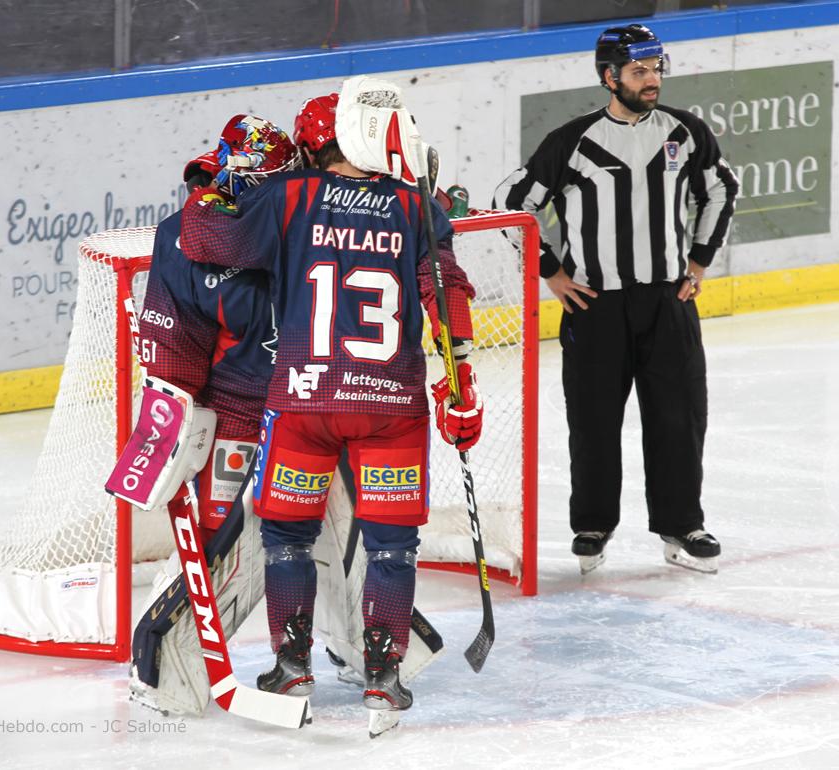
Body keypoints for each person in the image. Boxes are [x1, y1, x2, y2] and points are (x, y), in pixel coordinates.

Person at [177, 81, 482, 732]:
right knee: (393, 546)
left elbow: (208, 242)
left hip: (303, 402)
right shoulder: (414, 207)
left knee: (288, 537)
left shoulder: (291, 198)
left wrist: (207, 192)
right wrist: (461, 381)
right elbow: (446, 290)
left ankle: (292, 666)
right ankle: (382, 677)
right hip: (391, 405)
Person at [494, 23, 738, 575]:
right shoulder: (572, 141)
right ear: (610, 77)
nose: (652, 81)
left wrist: (699, 259)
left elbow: (721, 187)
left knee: (679, 417)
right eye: (638, 72)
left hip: (668, 302)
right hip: (594, 305)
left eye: (656, 69)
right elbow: (510, 203)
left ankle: (682, 525)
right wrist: (551, 272)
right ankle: (593, 526)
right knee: (594, 419)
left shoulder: (686, 131)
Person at [139, 114, 300, 544]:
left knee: (320, 538)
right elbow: (175, 345)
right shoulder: (183, 236)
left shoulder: (314, 212)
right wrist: (167, 425)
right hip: (238, 411)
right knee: (221, 535)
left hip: (312, 406)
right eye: (262, 180)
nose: (273, 191)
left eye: (281, 178)